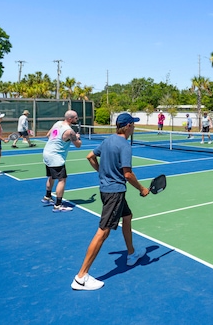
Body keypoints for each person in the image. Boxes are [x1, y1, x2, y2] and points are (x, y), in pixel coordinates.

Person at [71, 112, 149, 291]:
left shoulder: (107, 140)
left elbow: (90, 156)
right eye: (133, 124)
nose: (134, 127)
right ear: (128, 126)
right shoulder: (125, 146)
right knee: (103, 232)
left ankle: (131, 253)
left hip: (109, 191)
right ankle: (81, 277)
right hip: (115, 193)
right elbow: (127, 174)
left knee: (127, 216)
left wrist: (102, 172)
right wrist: (142, 189)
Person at [42, 110, 82, 212]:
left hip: (47, 152)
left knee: (51, 176)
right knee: (62, 179)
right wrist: (77, 138)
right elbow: (78, 145)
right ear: (70, 119)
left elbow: (48, 135)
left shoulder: (58, 123)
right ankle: (58, 205)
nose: (77, 119)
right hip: (55, 157)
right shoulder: (69, 131)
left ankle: (47, 197)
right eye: (76, 118)